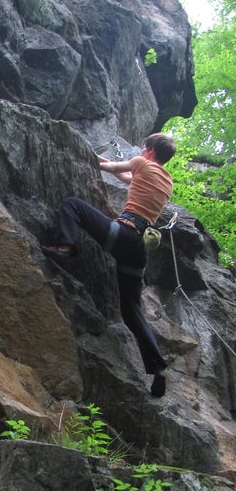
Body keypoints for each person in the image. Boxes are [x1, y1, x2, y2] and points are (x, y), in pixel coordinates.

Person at [42, 133, 176, 398]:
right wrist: (94, 156)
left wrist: (82, 153)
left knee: (73, 205)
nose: (140, 149)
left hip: (122, 234)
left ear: (148, 150)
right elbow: (123, 177)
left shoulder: (141, 162)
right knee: (131, 310)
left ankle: (66, 246)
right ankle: (157, 367)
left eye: (143, 147)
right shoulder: (165, 180)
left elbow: (113, 168)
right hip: (138, 251)